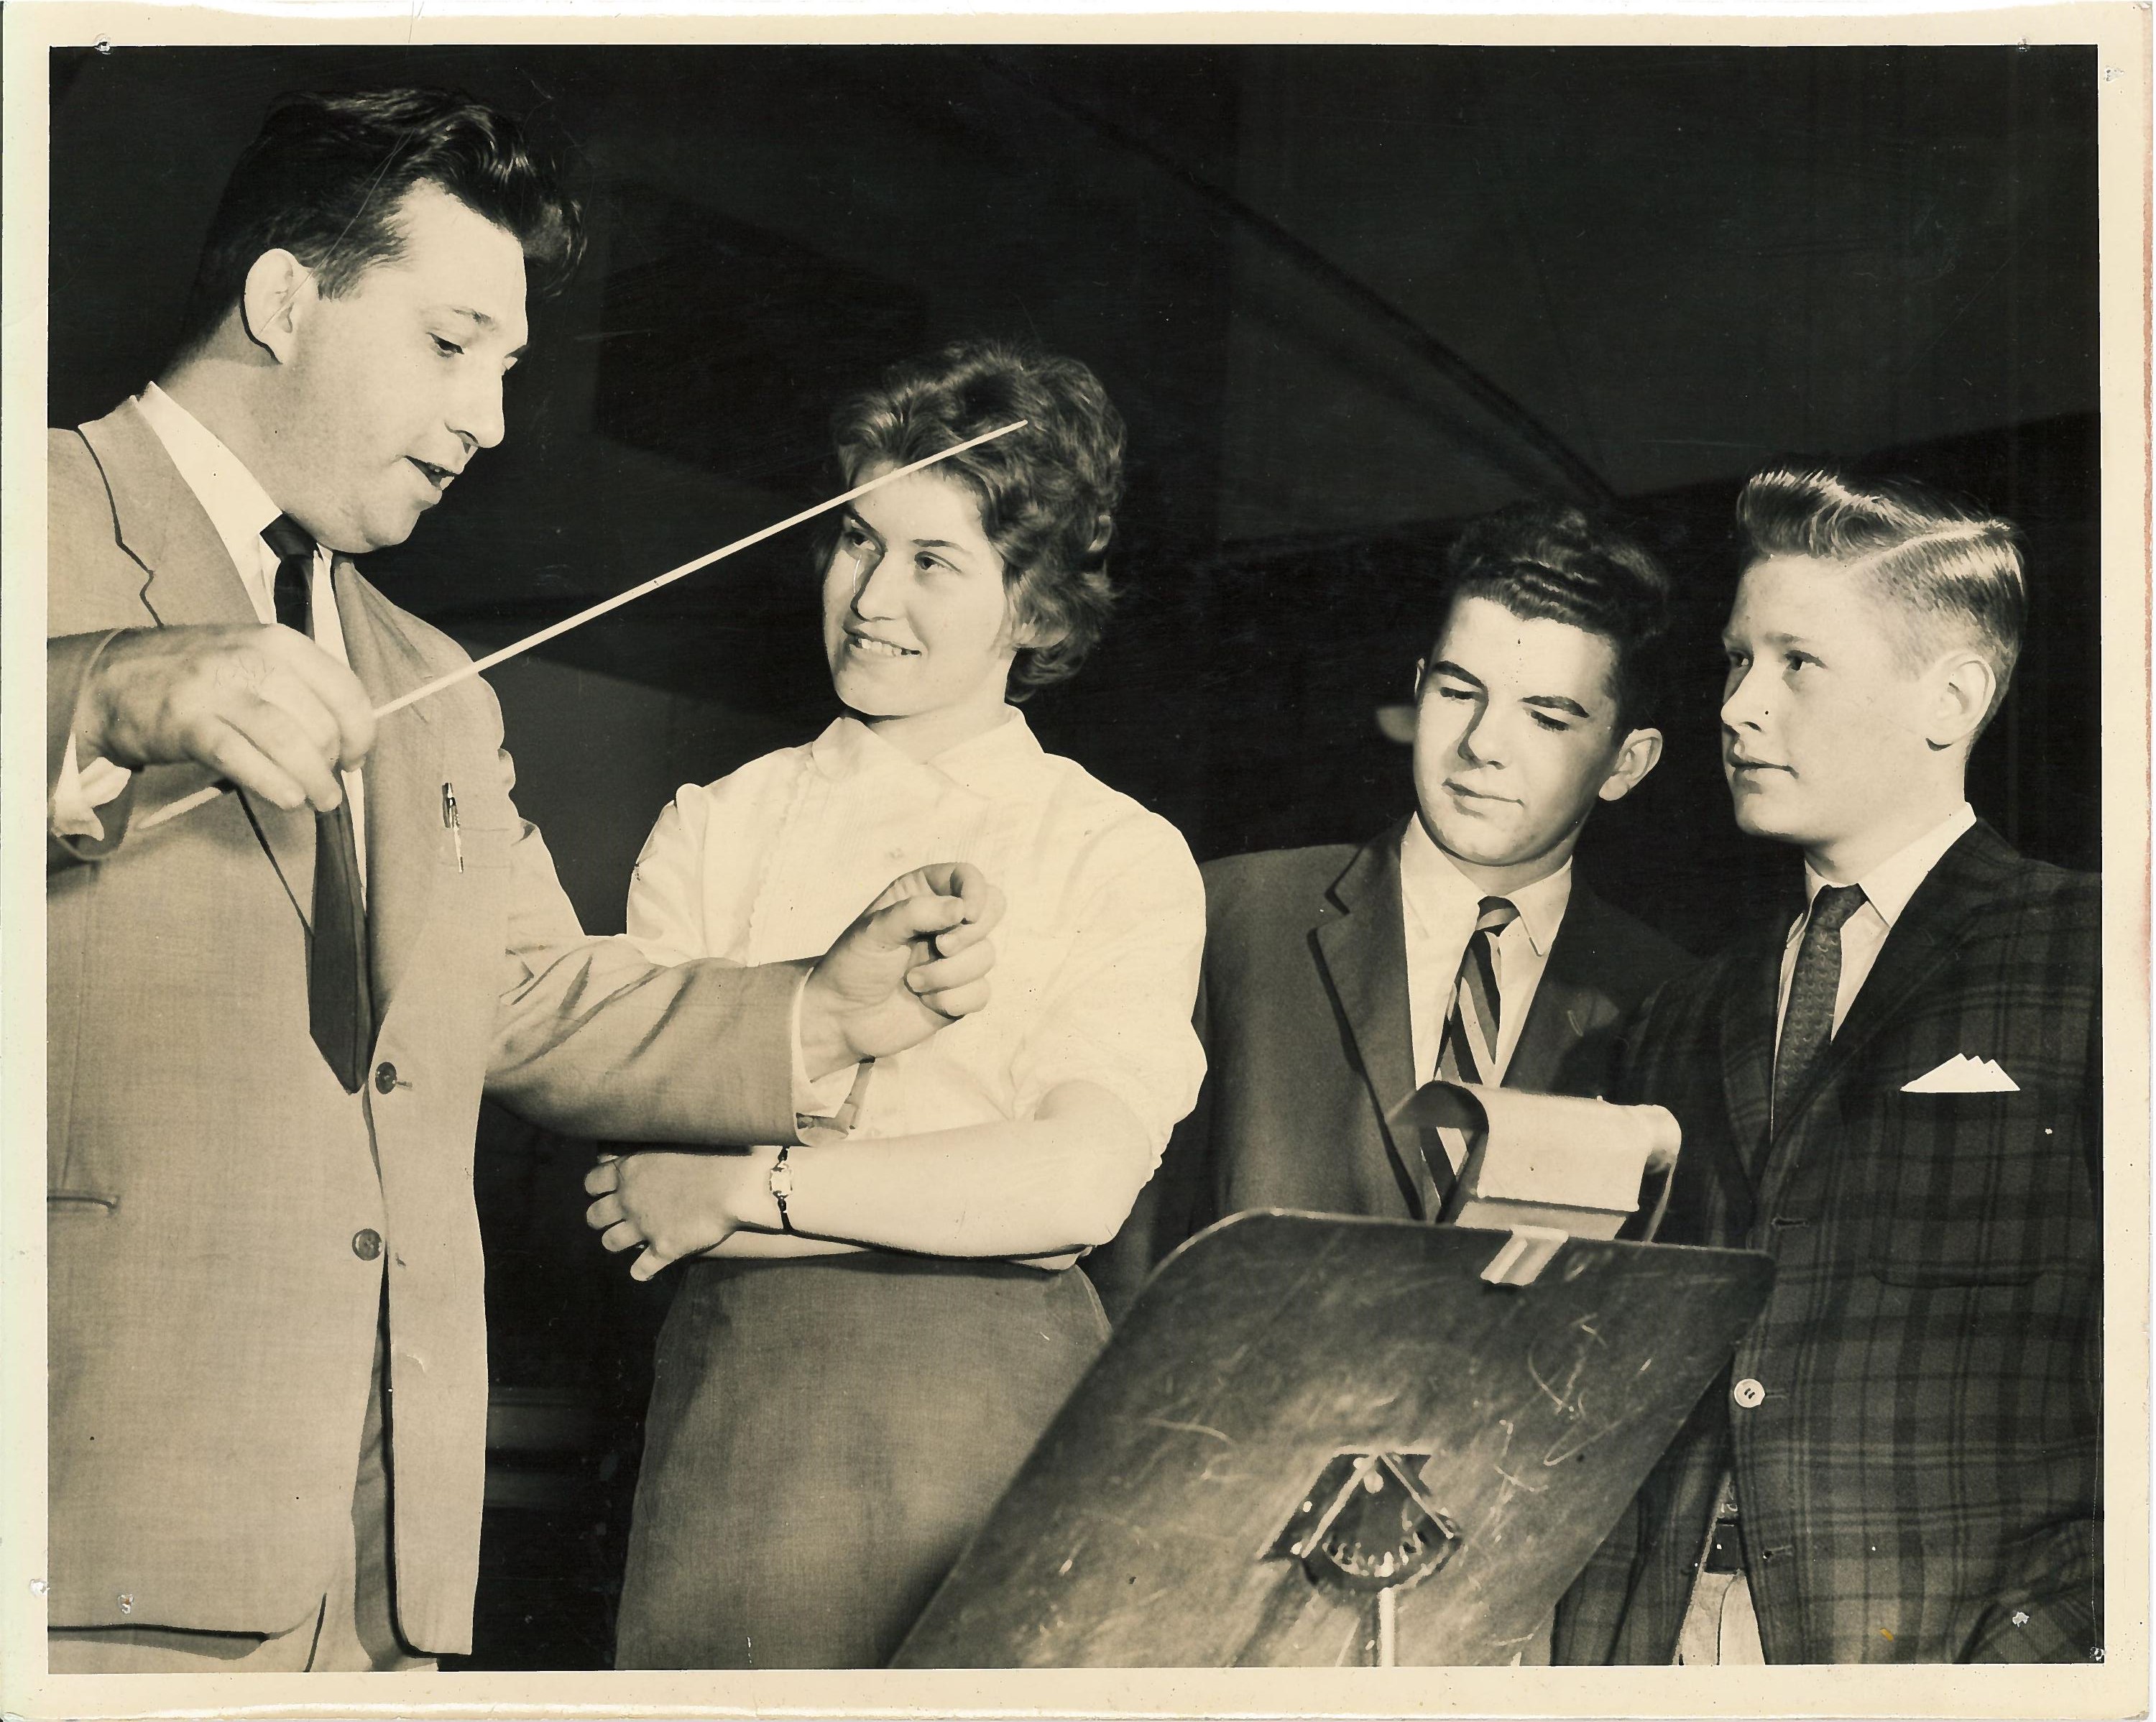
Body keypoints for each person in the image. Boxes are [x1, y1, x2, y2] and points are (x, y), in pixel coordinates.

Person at [45, 88, 1002, 1674]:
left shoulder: (431, 677)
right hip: (80, 1515)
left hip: (378, 1555)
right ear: (285, 299)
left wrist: (822, 1008)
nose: (490, 418)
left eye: (510, 367)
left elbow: (531, 993)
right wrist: (98, 690)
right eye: (451, 343)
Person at [583, 339, 1206, 1669]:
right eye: (857, 541)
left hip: (1002, 1442)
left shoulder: (1115, 850)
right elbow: (638, 1186)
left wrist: (750, 1193)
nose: (872, 596)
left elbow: (1074, 1191)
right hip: (739, 1442)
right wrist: (958, 1192)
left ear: (1034, 610)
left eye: (937, 561)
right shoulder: (715, 825)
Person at [1552, 466, 2101, 1665]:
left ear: (1951, 696)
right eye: (1737, 661)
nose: (1741, 707)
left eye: (1797, 664)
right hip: (1657, 1647)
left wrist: (2048, 1660)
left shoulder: (2103, 956)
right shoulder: (1674, 1017)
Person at [1096, 500, 1695, 1335]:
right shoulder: (1230, 913)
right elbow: (1121, 1267)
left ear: (1627, 763)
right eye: (1459, 691)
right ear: (1418, 690)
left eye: (1547, 717)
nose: (1483, 743)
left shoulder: (1667, 998)